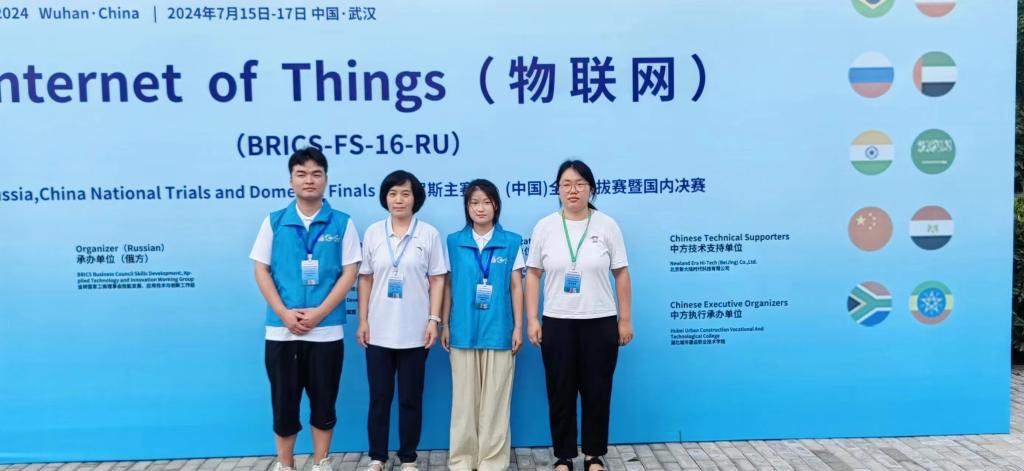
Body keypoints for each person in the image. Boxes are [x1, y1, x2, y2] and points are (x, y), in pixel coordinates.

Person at [250, 147, 361, 471]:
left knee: (324, 403)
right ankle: (285, 464)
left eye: (316, 173)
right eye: (301, 174)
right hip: (281, 331)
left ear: (326, 179)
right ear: (291, 181)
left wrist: (319, 313)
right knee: (284, 403)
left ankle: (321, 462)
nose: (309, 180)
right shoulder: (274, 222)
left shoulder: (342, 223)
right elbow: (261, 270)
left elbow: (349, 273)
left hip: (325, 332)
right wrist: (284, 313)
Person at [525, 160, 634, 471]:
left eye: (580, 184)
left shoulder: (606, 225)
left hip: (600, 321)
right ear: (558, 190)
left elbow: (621, 273)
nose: (573, 190)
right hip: (557, 321)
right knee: (560, 391)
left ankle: (594, 455)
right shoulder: (545, 226)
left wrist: (625, 319)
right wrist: (532, 318)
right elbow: (532, 274)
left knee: (597, 391)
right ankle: (563, 456)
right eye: (566, 184)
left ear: (591, 188)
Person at [356, 170, 447, 471]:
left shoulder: (428, 234)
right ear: (385, 197)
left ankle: (408, 457)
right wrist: (363, 320)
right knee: (379, 399)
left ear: (415, 198)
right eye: (393, 193)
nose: (399, 199)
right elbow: (365, 279)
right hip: (378, 331)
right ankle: (377, 457)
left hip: (415, 332)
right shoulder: (373, 233)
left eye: (405, 194)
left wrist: (434, 320)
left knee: (410, 399)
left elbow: (438, 279)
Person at [440, 179, 525, 471]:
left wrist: (518, 327)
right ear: (467, 207)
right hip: (462, 331)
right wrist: (445, 324)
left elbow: (516, 286)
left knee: (495, 403)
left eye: (486, 202)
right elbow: (447, 286)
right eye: (474, 202)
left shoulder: (511, 242)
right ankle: (462, 460)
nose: (480, 208)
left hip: (499, 331)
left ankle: (491, 462)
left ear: (496, 206)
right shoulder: (453, 242)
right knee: (464, 403)